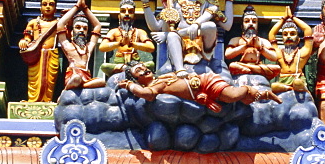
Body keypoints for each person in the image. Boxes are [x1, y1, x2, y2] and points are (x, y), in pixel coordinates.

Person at [141, 0, 240, 77]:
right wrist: (145, 4)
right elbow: (155, 27)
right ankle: (179, 69)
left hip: (203, 44)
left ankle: (179, 35)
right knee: (172, 35)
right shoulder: (174, 3)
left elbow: (227, 26)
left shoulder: (209, 3)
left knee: (210, 25)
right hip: (181, 45)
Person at [118, 61, 281, 111]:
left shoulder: (162, 77)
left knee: (232, 96)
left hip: (206, 81)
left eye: (143, 66)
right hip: (204, 90)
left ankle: (250, 89)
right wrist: (130, 86)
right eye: (138, 70)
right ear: (137, 79)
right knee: (238, 99)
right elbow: (148, 95)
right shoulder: (154, 87)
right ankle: (259, 95)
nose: (144, 69)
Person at [19, 0, 62, 102]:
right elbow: (27, 37)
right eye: (44, 4)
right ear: (40, 7)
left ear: (55, 8)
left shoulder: (58, 23)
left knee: (49, 80)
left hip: (52, 54)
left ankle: (47, 101)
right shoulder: (33, 23)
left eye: (51, 4)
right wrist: (24, 41)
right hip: (36, 54)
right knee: (34, 78)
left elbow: (64, 38)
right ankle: (32, 100)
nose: (48, 7)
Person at [56, 0, 104, 90]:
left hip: (86, 78)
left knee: (102, 81)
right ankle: (70, 88)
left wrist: (85, 7)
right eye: (78, 27)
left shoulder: (88, 48)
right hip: (73, 76)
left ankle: (82, 86)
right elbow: (60, 24)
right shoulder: (68, 46)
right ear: (72, 31)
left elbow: (97, 26)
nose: (81, 30)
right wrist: (77, 6)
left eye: (85, 28)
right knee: (76, 79)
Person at [99, 0, 155, 78]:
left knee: (150, 64)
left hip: (135, 63)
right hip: (119, 64)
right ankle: (126, 69)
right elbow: (102, 47)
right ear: (119, 16)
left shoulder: (139, 32)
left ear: (134, 17)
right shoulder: (114, 31)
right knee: (104, 66)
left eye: (130, 11)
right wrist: (120, 43)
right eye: (123, 11)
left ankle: (129, 69)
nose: (127, 14)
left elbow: (151, 47)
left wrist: (131, 44)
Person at [225, 6, 280, 82]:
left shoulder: (263, 41)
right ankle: (254, 71)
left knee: (277, 68)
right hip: (242, 66)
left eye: (254, 22)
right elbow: (228, 55)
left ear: (257, 25)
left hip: (255, 66)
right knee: (233, 66)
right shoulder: (236, 40)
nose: (251, 24)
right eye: (247, 21)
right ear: (242, 26)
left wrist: (260, 48)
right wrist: (245, 46)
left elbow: (274, 57)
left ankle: (250, 70)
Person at [268, 8, 314, 94]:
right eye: (285, 34)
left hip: (298, 79)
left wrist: (293, 17)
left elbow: (307, 30)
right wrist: (283, 19)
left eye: (292, 34)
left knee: (297, 82)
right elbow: (271, 35)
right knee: (273, 86)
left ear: (298, 40)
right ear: (282, 39)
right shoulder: (279, 53)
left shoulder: (302, 52)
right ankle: (290, 89)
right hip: (283, 80)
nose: (288, 36)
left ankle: (295, 88)